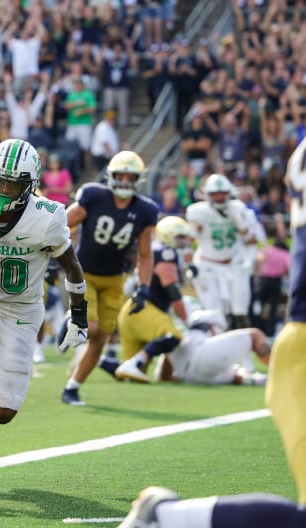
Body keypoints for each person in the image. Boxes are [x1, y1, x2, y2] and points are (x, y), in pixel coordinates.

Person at [117, 137, 306, 528]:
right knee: (228, 331)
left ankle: (165, 516)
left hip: (221, 336)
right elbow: (171, 297)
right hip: (189, 326)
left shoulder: (229, 217)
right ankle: (165, 517)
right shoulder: (176, 258)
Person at [0, 138, 88, 477]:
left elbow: (71, 268)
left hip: (22, 310)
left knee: (2, 413)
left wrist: (79, 316)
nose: (2, 190)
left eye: (12, 184)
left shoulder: (46, 217)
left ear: (29, 186)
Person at [60, 151, 158, 406]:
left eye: (130, 176)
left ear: (139, 179)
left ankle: (73, 386)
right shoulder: (94, 196)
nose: (125, 181)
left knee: (101, 338)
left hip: (114, 279)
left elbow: (145, 255)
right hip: (84, 273)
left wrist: (144, 287)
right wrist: (53, 257)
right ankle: (71, 318)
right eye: (120, 176)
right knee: (90, 328)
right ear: (111, 176)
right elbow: (61, 224)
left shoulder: (145, 210)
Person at [112, 215, 190, 383]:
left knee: (131, 372)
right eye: (180, 237)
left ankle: (97, 360)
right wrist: (186, 319)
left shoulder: (155, 249)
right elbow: (172, 291)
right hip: (145, 310)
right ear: (168, 235)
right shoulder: (166, 253)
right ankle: (134, 362)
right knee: (173, 336)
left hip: (131, 311)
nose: (183, 241)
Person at [185, 173, 253, 328]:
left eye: (222, 193)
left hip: (231, 264)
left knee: (239, 309)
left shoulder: (237, 209)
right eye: (215, 194)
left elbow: (251, 239)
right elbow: (188, 240)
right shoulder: (200, 212)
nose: (220, 198)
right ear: (208, 195)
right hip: (208, 265)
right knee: (214, 313)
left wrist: (239, 222)